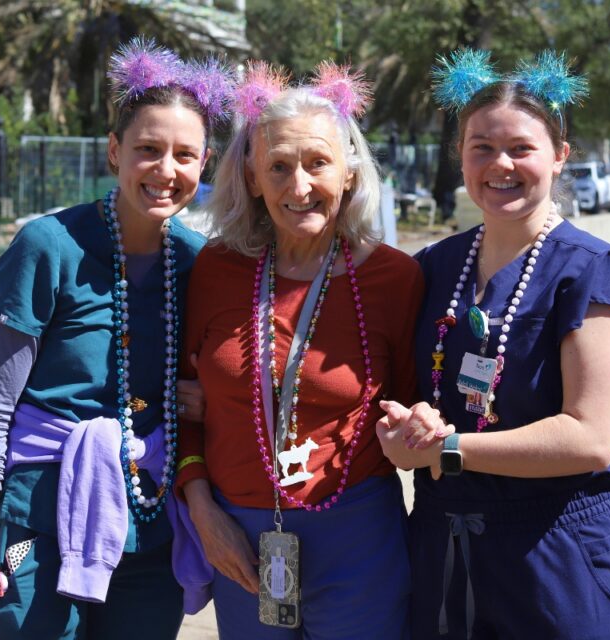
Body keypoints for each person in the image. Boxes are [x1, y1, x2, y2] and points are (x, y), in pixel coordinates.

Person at [376, 49, 610, 639]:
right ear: (461, 158)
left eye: (521, 147)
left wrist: (445, 451)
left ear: (560, 156)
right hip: (442, 551)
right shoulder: (435, 269)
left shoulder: (597, 277)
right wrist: (409, 422)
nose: (502, 164)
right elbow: (420, 392)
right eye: (482, 147)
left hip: (558, 560)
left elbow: (590, 439)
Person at [0, 38, 233, 640]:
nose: (166, 170)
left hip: (147, 527)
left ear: (205, 164)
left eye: (185, 155)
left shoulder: (202, 264)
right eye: (148, 149)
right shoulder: (46, 247)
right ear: (113, 151)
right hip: (33, 527)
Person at [174, 61, 423, 638]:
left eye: (317, 164)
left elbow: (412, 409)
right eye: (279, 167)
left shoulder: (395, 279)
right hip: (237, 536)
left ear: (350, 173)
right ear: (253, 178)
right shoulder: (214, 269)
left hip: (359, 539)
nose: (300, 186)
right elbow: (184, 405)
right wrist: (203, 510)